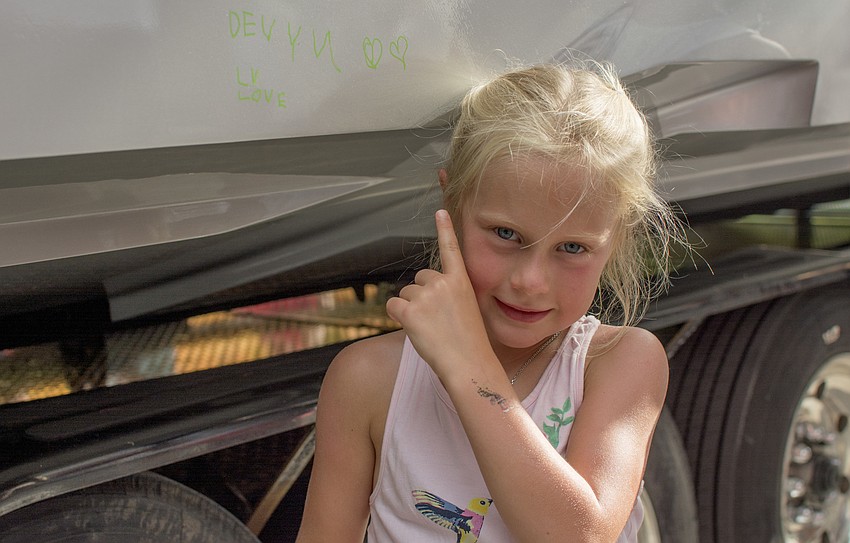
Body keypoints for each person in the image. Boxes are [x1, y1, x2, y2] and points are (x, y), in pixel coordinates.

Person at [296, 61, 684, 542]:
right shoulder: (368, 378)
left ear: (617, 239)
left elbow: (585, 536)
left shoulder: (621, 363)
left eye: (572, 248)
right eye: (506, 234)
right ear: (453, 203)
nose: (530, 280)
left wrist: (470, 368)